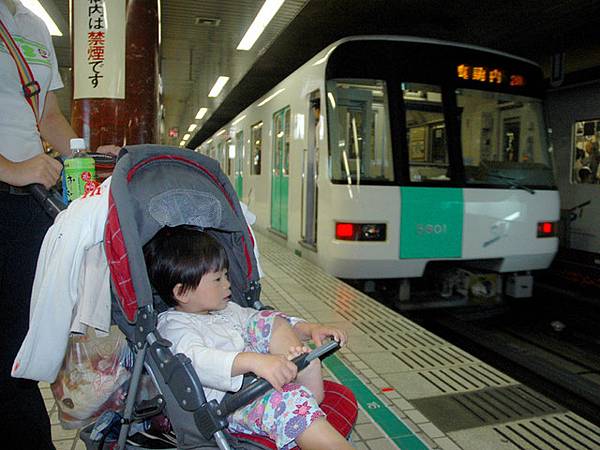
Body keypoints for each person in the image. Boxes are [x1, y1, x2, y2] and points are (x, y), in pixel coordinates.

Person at [0, 1, 117, 447]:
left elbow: (46, 114)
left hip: (23, 207)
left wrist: (81, 154)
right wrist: (11, 168)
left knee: (19, 344)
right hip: (14, 182)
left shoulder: (32, 23)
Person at [144, 226, 353, 450]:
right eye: (217, 279)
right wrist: (253, 360)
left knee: (263, 319)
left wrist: (310, 329)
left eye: (226, 275)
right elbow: (197, 360)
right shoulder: (173, 326)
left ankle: (300, 369)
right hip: (230, 403)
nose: (228, 283)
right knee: (291, 403)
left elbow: (269, 321)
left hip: (263, 379)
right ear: (182, 292)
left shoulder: (226, 309)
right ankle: (303, 385)